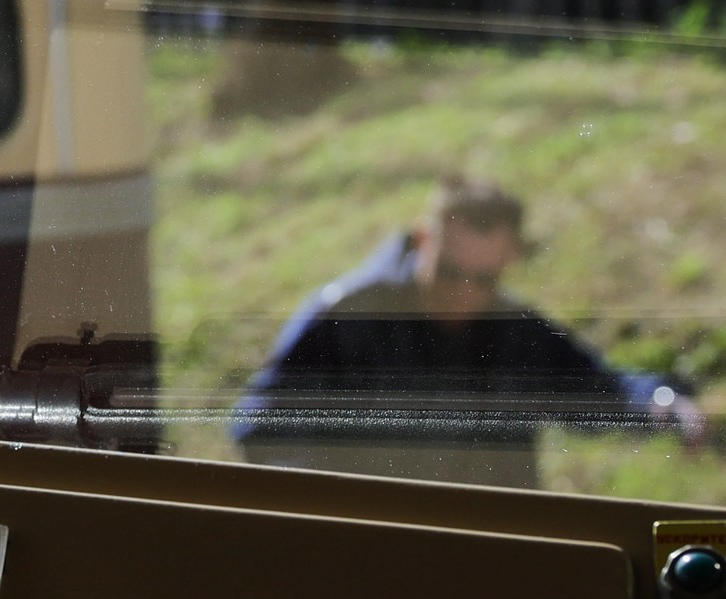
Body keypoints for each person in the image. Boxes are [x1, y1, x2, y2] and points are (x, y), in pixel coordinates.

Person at [233, 176, 706, 488]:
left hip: (491, 547)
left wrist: (660, 402)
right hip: (370, 551)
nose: (464, 293)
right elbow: (260, 427)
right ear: (423, 241)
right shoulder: (346, 316)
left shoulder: (514, 331)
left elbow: (598, 391)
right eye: (450, 272)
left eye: (484, 280)